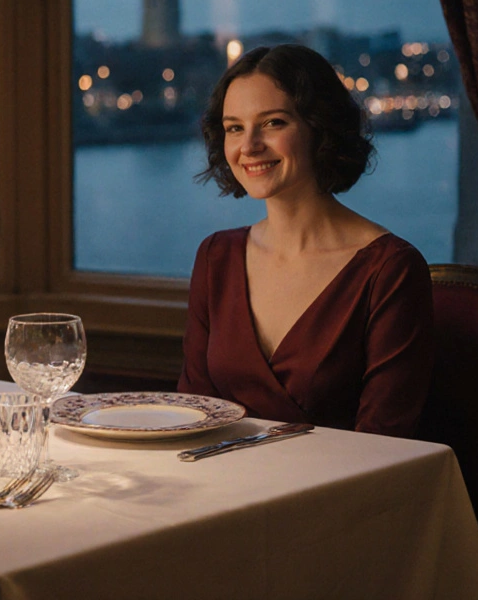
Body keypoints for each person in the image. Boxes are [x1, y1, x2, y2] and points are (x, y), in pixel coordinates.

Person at [179, 44, 433, 438]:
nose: (249, 146)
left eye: (273, 123)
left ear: (320, 126)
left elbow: (385, 446)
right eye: (234, 128)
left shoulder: (390, 269)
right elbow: (193, 415)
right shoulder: (216, 256)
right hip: (221, 490)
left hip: (342, 495)